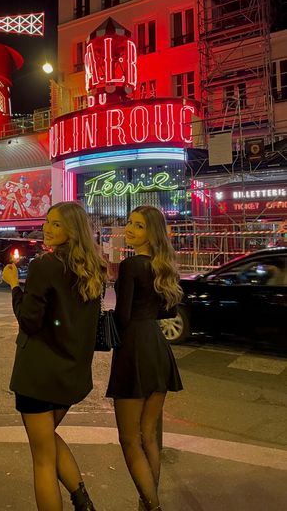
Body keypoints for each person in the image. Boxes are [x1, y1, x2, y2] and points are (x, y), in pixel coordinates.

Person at [2, 202, 107, 511]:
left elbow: (29, 320)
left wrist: (13, 287)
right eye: (47, 222)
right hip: (70, 375)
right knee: (47, 439)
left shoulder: (45, 265)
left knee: (43, 459)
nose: (47, 228)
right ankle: (83, 503)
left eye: (56, 224)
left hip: (38, 376)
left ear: (71, 230)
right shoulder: (92, 269)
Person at [106, 206, 183, 511]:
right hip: (158, 349)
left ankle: (152, 506)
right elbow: (170, 311)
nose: (130, 229)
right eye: (129, 223)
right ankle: (147, 503)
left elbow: (122, 317)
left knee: (129, 439)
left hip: (133, 350)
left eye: (138, 226)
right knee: (149, 436)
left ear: (151, 233)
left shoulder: (130, 265)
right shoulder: (162, 266)